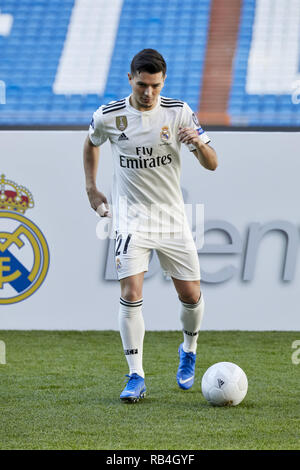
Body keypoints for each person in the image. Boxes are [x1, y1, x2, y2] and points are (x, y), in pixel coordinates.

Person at [83, 49, 218, 403]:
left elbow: (213, 164)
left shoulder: (179, 112)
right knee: (130, 293)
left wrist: (198, 145)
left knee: (190, 295)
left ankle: (188, 349)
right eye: (142, 85)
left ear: (163, 82)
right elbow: (91, 142)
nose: (148, 93)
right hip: (130, 220)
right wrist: (92, 189)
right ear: (130, 79)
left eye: (155, 86)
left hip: (171, 218)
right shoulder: (109, 116)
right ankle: (135, 376)